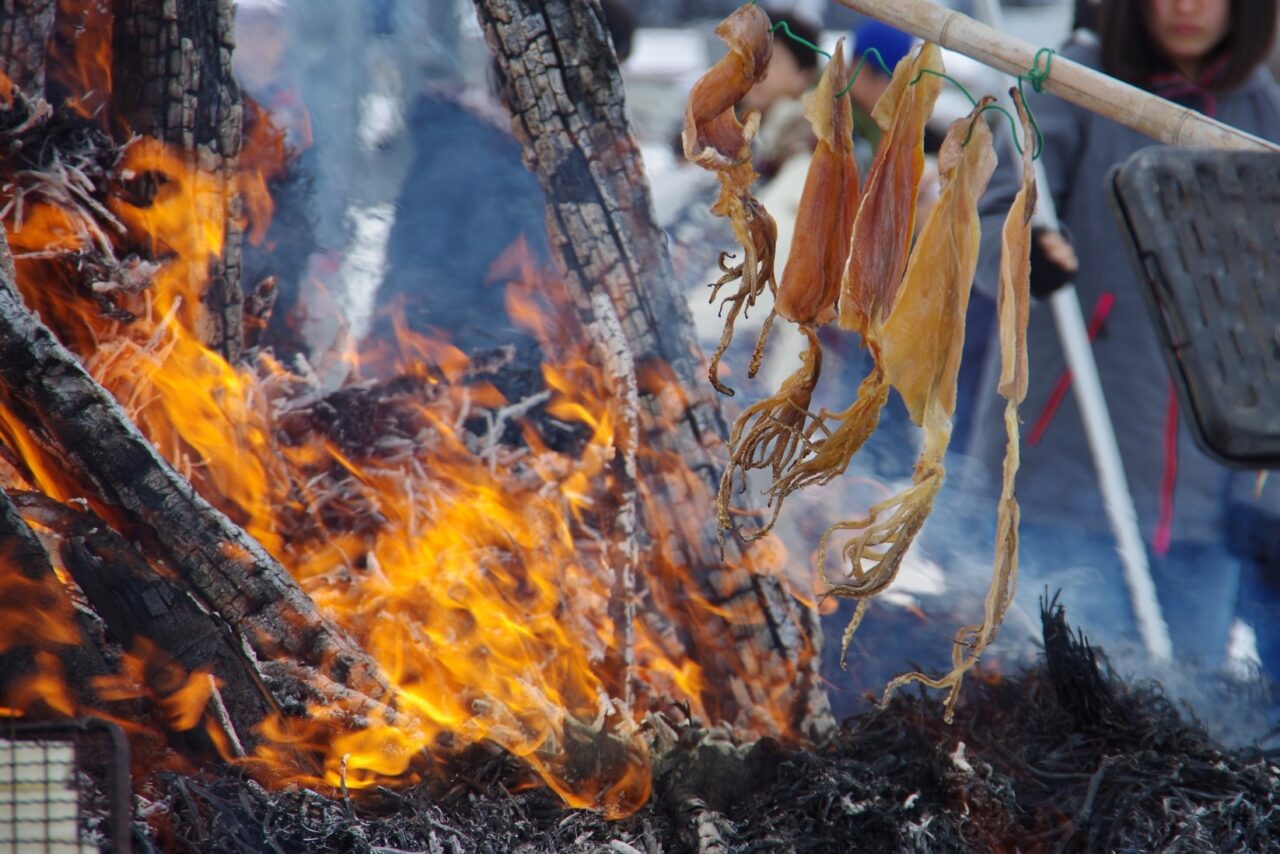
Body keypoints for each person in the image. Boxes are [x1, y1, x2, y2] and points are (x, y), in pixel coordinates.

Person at [968, 0, 1280, 674]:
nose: (1185, 6)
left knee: (1184, 717)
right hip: (1070, 471)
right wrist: (1028, 252)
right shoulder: (1069, 83)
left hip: (1207, 501)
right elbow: (995, 216)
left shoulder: (1263, 113)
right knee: (1056, 702)